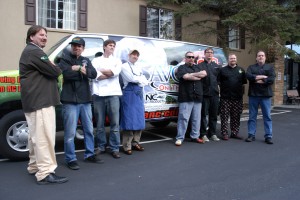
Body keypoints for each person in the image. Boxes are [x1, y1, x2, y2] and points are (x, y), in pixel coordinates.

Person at [19, 25, 68, 184]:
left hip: (34, 101)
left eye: (46, 35)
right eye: (41, 35)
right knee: (44, 138)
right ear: (31, 37)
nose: (45, 37)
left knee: (35, 138)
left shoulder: (30, 51)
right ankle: (45, 173)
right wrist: (55, 66)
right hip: (41, 101)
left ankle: (34, 166)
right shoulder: (34, 51)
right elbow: (54, 72)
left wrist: (52, 65)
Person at [59, 37, 104, 170]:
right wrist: (82, 71)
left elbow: (94, 74)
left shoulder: (86, 60)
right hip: (70, 101)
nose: (76, 48)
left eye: (79, 46)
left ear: (83, 48)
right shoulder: (65, 59)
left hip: (85, 100)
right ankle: (70, 159)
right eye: (74, 46)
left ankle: (89, 154)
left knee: (89, 130)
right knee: (70, 133)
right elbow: (66, 74)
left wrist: (78, 69)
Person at [92, 39, 122, 158]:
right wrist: (108, 74)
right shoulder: (96, 60)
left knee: (115, 122)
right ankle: (101, 146)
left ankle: (114, 147)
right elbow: (95, 75)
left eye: (114, 46)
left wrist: (103, 71)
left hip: (113, 94)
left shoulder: (117, 60)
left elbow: (115, 72)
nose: (112, 47)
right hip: (99, 95)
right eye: (110, 45)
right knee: (99, 123)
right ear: (104, 47)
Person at [175, 51, 207, 146]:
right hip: (186, 97)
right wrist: (196, 75)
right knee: (183, 118)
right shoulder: (181, 68)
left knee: (196, 119)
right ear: (185, 58)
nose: (191, 58)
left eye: (193, 57)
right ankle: (180, 138)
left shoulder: (198, 66)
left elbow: (204, 73)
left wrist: (191, 75)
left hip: (197, 96)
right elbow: (185, 76)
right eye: (189, 57)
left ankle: (195, 136)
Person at [120, 49, 148, 155]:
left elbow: (144, 80)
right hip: (129, 94)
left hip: (139, 94)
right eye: (133, 54)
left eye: (137, 55)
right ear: (129, 55)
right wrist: (140, 79)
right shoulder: (124, 66)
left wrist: (140, 79)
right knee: (129, 119)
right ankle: (126, 145)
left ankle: (136, 142)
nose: (135, 56)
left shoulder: (138, 66)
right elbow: (131, 78)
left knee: (139, 119)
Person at [245, 50, 275, 144]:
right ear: (256, 58)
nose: (260, 57)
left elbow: (271, 79)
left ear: (265, 57)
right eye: (259, 56)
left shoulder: (270, 68)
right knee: (252, 116)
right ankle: (251, 134)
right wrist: (262, 77)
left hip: (266, 96)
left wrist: (260, 79)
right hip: (253, 95)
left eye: (262, 55)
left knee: (267, 117)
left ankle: (268, 136)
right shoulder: (251, 67)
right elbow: (249, 76)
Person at [218, 54, 247, 140]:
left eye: (234, 58)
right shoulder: (222, 70)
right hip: (225, 97)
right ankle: (224, 133)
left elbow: (243, 83)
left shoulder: (241, 70)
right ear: (228, 60)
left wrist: (242, 95)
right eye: (231, 58)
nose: (233, 60)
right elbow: (218, 82)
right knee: (224, 116)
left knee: (236, 116)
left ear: (236, 59)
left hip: (237, 98)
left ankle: (234, 133)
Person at [199, 47, 221, 142]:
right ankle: (203, 134)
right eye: (208, 52)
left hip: (215, 94)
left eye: (211, 52)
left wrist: (219, 91)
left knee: (214, 115)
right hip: (204, 95)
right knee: (204, 115)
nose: (210, 54)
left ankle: (212, 134)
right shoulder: (199, 66)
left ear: (213, 54)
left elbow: (219, 80)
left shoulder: (216, 66)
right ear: (205, 54)